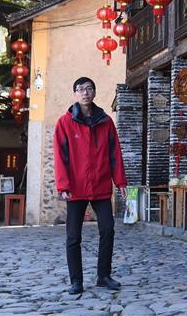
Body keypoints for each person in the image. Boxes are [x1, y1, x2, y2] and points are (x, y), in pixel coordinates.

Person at [54, 77, 127, 295]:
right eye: (80, 89)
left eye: (89, 89)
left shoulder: (106, 122)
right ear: (75, 94)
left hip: (100, 185)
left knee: (108, 229)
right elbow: (60, 156)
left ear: (94, 92)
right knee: (73, 236)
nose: (85, 93)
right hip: (75, 188)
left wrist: (120, 181)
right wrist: (63, 185)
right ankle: (76, 281)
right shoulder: (64, 123)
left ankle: (103, 275)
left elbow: (115, 154)